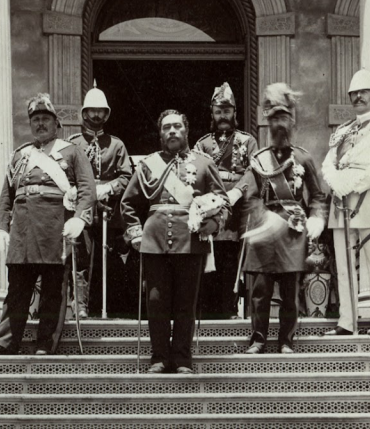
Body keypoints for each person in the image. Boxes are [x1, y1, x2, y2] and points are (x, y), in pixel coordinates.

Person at [0, 93, 95, 355]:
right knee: (17, 290)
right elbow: (6, 195)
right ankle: (6, 341)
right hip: (22, 230)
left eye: (46, 119)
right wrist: (0, 227)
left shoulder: (72, 152)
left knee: (53, 290)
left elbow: (88, 190)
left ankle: (45, 343)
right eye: (36, 120)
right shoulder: (20, 155)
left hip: (55, 229)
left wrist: (79, 217)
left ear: (56, 124)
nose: (40, 124)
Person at [120, 109, 227, 374]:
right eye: (166, 127)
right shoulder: (148, 164)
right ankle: (158, 356)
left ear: (186, 131)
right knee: (156, 301)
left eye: (177, 126)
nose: (172, 131)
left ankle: (181, 358)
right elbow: (128, 203)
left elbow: (223, 202)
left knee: (185, 302)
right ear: (160, 133)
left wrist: (213, 223)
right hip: (155, 241)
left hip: (189, 240)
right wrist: (134, 233)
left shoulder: (204, 163)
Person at [238, 83, 328, 354]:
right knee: (260, 292)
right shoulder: (258, 160)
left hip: (293, 231)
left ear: (292, 121)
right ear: (268, 123)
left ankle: (286, 340)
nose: (279, 123)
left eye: (283, 118)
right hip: (264, 232)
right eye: (274, 118)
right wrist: (262, 219)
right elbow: (250, 196)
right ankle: (258, 340)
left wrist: (317, 218)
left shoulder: (303, 158)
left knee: (290, 293)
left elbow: (318, 196)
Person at [321, 68, 370, 336]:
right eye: (353, 93)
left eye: (363, 92)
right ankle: (347, 321)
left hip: (368, 200)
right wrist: (336, 182)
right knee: (343, 266)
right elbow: (328, 163)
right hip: (341, 203)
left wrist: (351, 182)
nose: (357, 97)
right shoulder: (342, 130)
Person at [67, 82, 133, 318]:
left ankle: (108, 307)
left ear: (106, 114)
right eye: (91, 111)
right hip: (82, 209)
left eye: (100, 111)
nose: (95, 115)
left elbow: (127, 176)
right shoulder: (73, 143)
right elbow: (66, 175)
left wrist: (110, 187)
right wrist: (74, 190)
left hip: (108, 210)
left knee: (108, 257)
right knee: (80, 255)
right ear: (84, 113)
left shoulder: (116, 145)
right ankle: (81, 306)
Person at [193, 82, 258, 319]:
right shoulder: (202, 143)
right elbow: (195, 172)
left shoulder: (247, 141)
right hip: (211, 208)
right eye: (218, 111)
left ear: (235, 113)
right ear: (212, 113)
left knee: (231, 260)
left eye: (227, 111)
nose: (223, 116)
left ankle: (230, 308)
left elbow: (255, 171)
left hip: (238, 209)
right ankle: (207, 311)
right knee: (209, 259)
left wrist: (238, 192)